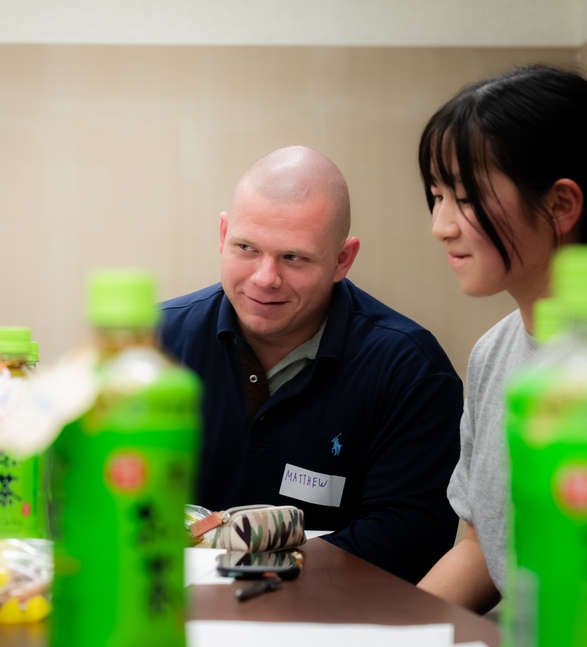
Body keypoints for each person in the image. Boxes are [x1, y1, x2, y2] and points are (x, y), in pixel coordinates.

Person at [415, 64, 587, 613]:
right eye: (436, 195)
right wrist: (394, 638)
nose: (441, 224)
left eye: (464, 196)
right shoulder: (492, 353)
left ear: (560, 205)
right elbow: (483, 547)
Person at [159, 145, 463, 584]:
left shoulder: (409, 369)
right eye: (246, 248)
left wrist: (252, 574)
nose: (265, 278)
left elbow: (408, 540)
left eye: (293, 258)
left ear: (343, 259)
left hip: (333, 628)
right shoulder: (153, 347)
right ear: (223, 235)